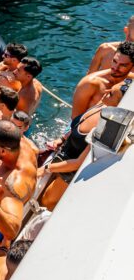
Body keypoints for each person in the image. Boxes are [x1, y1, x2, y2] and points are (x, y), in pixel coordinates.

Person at [39, 78, 131, 210]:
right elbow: (76, 126)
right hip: (60, 157)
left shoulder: (105, 129)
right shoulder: (102, 104)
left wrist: (45, 169)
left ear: (119, 106)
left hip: (70, 171)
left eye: (111, 94)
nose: (106, 91)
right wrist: (61, 140)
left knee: (47, 201)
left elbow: (78, 163)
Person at [72, 41, 134, 118]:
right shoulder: (90, 83)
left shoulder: (131, 82)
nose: (115, 67)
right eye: (114, 61)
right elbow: (75, 119)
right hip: (82, 125)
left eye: (123, 65)